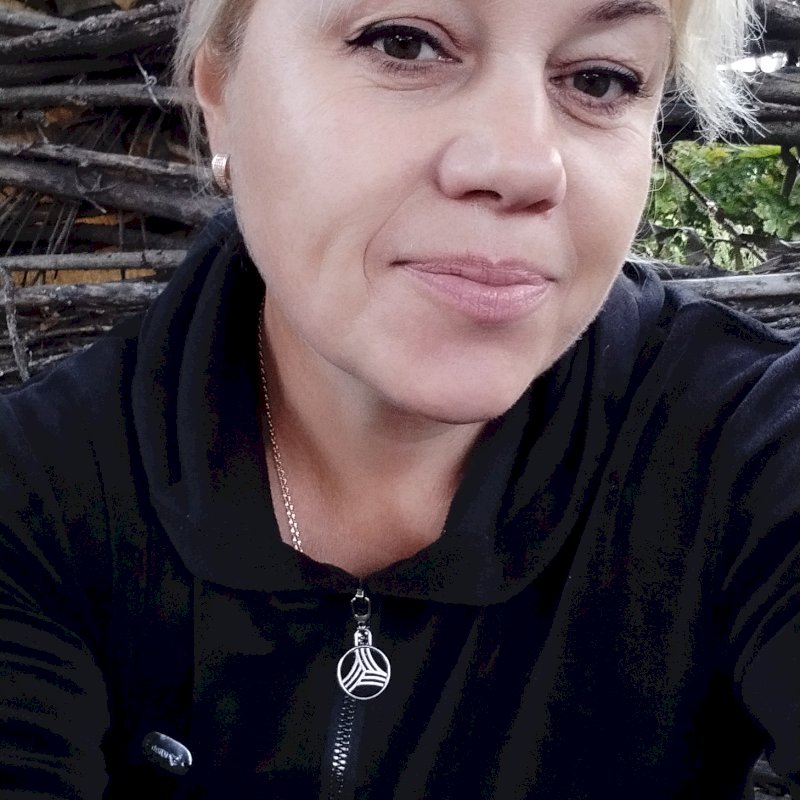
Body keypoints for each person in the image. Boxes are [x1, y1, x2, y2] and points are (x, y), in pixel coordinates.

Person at [0, 0, 798, 797]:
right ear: (220, 93)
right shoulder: (35, 501)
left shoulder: (745, 446)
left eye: (602, 79)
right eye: (405, 42)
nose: (525, 165)